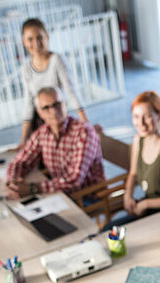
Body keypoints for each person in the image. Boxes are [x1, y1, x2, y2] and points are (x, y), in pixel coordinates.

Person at [6, 86, 104, 199]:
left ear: (65, 104)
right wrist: (13, 181)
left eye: (57, 104)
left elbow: (75, 180)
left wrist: (32, 188)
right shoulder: (41, 133)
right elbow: (20, 161)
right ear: (40, 113)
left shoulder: (84, 132)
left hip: (86, 196)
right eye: (46, 108)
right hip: (59, 193)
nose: (53, 111)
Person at [113, 91, 160, 225]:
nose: (141, 123)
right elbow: (133, 174)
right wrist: (128, 194)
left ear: (159, 116)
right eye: (136, 116)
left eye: (147, 117)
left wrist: (146, 204)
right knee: (109, 230)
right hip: (146, 209)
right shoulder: (138, 140)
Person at [16, 18, 89, 150]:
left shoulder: (57, 60)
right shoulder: (25, 68)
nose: (36, 43)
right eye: (30, 39)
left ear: (47, 37)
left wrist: (87, 125)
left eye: (40, 37)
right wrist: (23, 141)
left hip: (57, 118)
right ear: (24, 42)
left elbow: (70, 91)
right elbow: (28, 102)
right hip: (39, 123)